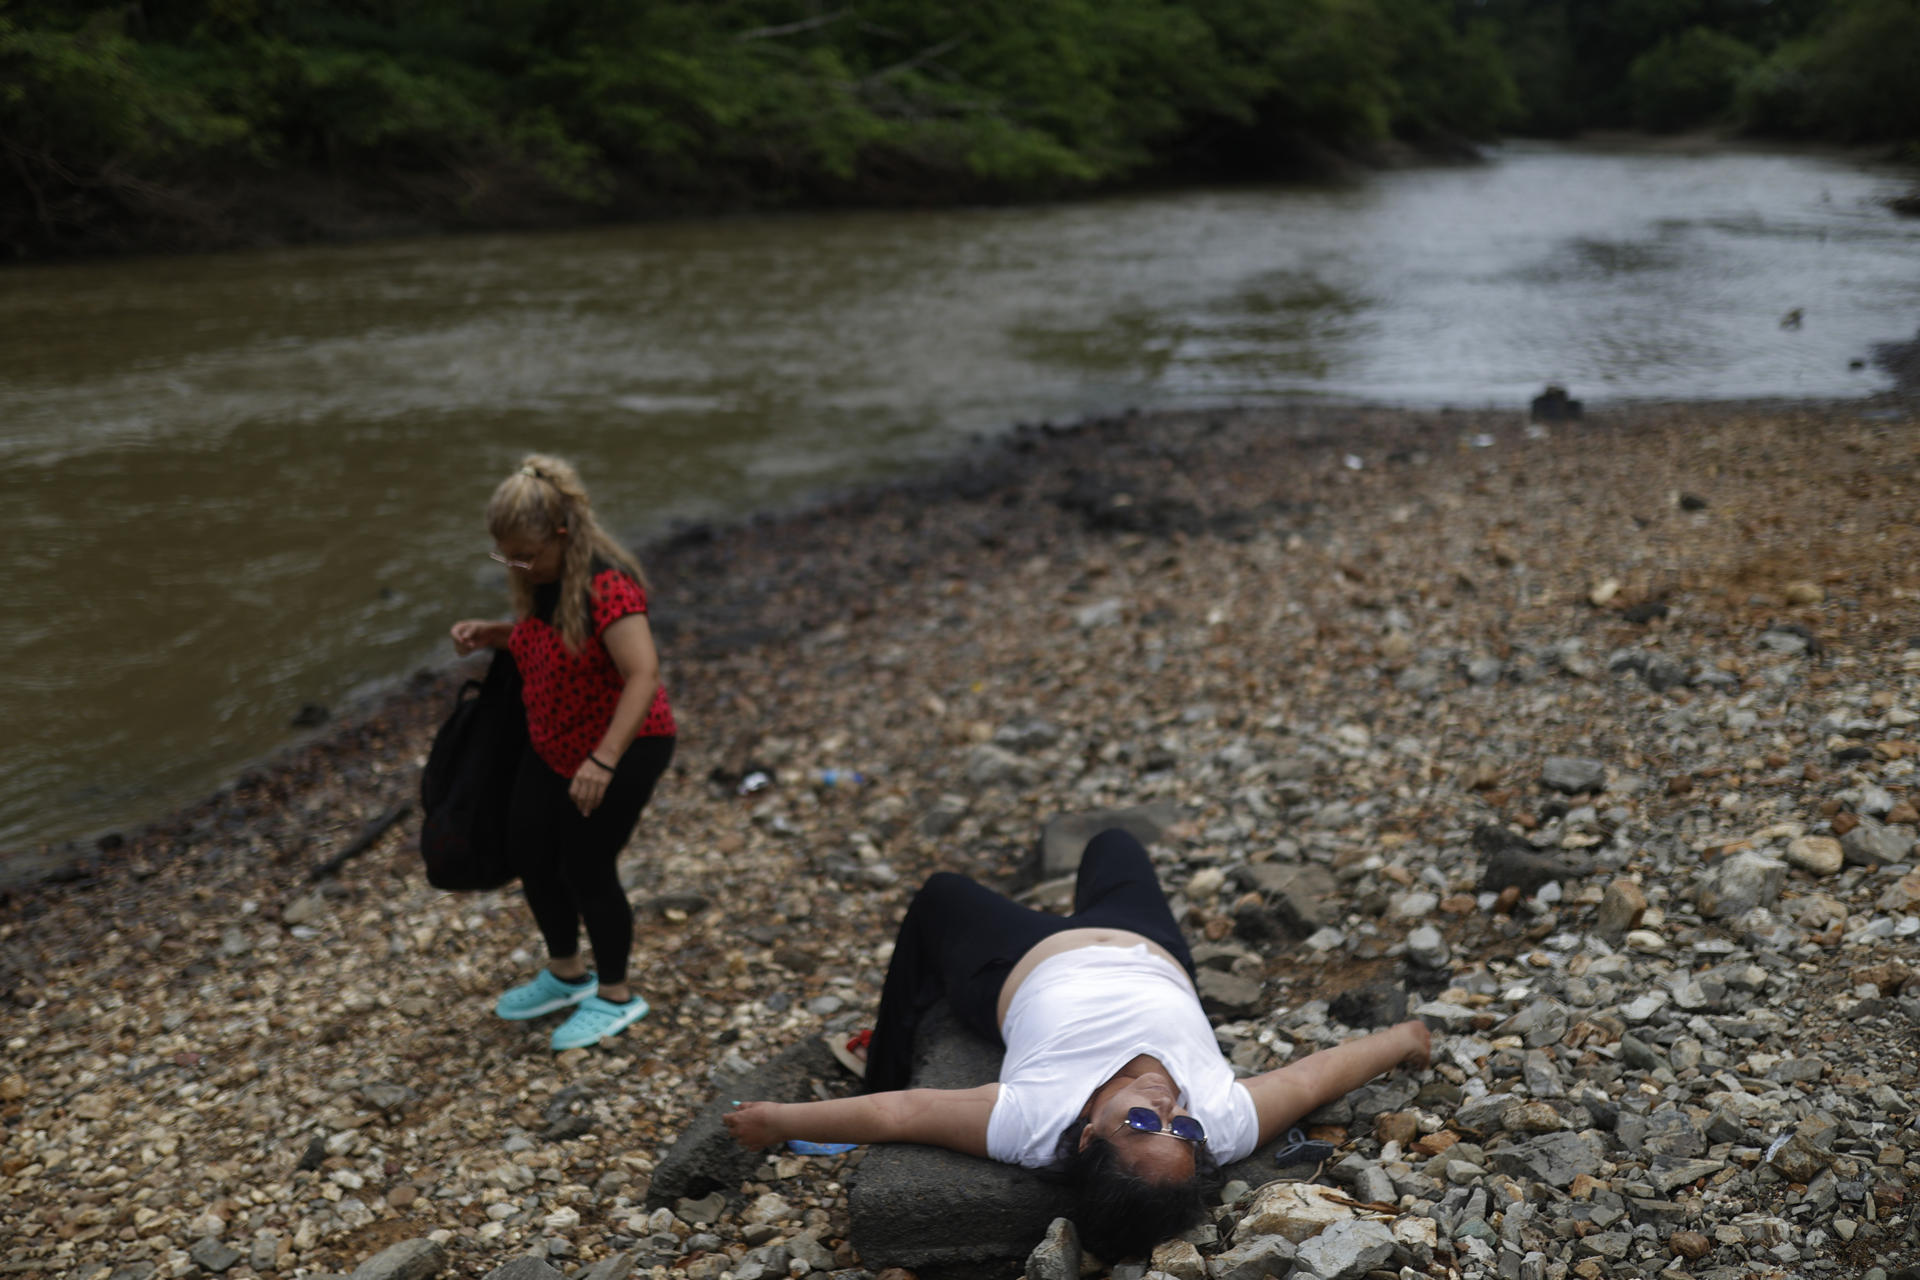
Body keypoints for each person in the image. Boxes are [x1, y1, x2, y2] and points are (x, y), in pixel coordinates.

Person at [724, 829, 1430, 1261]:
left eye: (1144, 1124)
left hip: (1019, 961)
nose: (1167, 1107)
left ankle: (881, 1044)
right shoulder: (1220, 1120)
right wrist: (1403, 1037)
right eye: (1180, 1127)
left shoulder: (1030, 1121)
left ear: (1090, 1138)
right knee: (1113, 843)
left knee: (939, 892)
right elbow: (1315, 1078)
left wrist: (780, 1121)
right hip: (1147, 943)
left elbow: (901, 1116)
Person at [449, 454, 676, 1051]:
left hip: (624, 746)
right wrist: (493, 632)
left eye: (526, 554)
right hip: (553, 743)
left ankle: (617, 996)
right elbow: (546, 634)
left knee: (586, 866)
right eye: (506, 554)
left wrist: (602, 761)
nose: (517, 565)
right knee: (528, 847)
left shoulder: (608, 587)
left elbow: (643, 674)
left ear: (562, 535)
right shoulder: (540, 580)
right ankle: (568, 974)